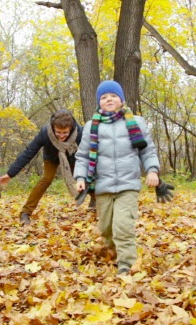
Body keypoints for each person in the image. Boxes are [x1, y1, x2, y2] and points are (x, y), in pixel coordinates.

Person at [74, 80, 173, 275]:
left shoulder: (135, 122)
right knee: (105, 228)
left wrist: (152, 170)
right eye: (103, 97)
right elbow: (83, 156)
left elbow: (148, 151)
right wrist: (80, 177)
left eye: (112, 96)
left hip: (128, 184)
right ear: (98, 102)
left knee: (123, 226)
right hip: (102, 186)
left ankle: (126, 266)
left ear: (121, 99)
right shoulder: (91, 126)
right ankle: (114, 249)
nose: (108, 100)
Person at [0, 109, 93, 225]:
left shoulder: (80, 133)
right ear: (53, 127)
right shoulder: (45, 133)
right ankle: (25, 213)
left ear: (71, 128)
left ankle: (101, 203)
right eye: (58, 132)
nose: (61, 136)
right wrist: (10, 173)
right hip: (51, 157)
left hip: (73, 157)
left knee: (84, 179)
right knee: (47, 179)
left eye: (65, 133)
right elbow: (29, 152)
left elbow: (90, 151)